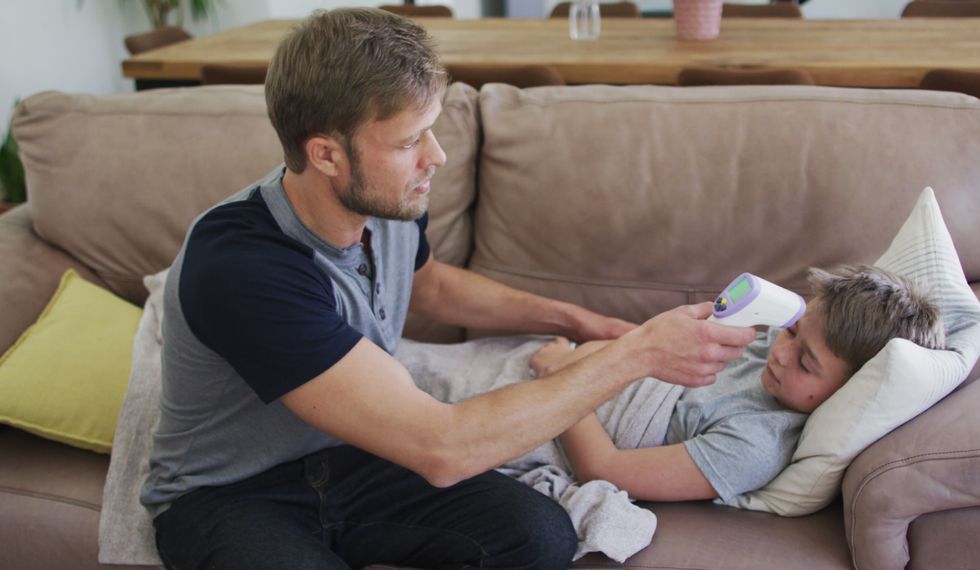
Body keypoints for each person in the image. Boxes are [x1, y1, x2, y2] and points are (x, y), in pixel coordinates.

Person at [140, 8, 755, 570]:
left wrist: (577, 321)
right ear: (327, 155)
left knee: (539, 536)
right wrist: (641, 352)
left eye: (430, 131)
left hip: (354, 459)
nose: (436, 156)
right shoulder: (244, 265)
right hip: (231, 494)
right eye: (410, 141)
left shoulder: (384, 200)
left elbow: (428, 286)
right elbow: (443, 448)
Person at [526, 265, 945, 504]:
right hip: (562, 364)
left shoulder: (755, 446)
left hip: (556, 400)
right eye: (792, 332)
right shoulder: (767, 353)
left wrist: (560, 378)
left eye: (806, 362)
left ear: (851, 392)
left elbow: (604, 469)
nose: (780, 352)